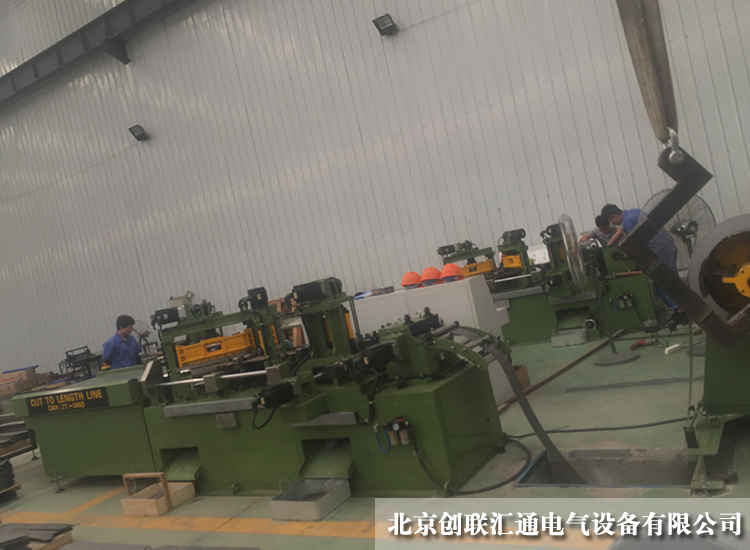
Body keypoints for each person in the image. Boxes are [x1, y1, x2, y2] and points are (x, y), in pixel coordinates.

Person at [601, 203, 679, 309]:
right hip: (667, 245)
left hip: (660, 250)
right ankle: (679, 306)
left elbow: (636, 244)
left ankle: (677, 307)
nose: (613, 224)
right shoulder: (635, 211)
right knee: (671, 280)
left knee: (661, 282)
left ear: (613, 216)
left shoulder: (627, 222)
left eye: (611, 221)